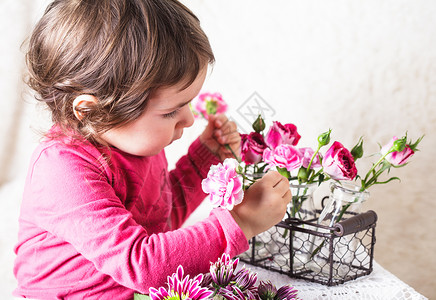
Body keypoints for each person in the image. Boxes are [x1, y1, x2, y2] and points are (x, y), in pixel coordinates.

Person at [13, 0, 292, 298]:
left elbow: (160, 220)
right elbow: (143, 264)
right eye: (172, 111)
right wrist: (241, 221)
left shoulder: (132, 143)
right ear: (91, 112)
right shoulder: (62, 170)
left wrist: (204, 158)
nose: (189, 119)